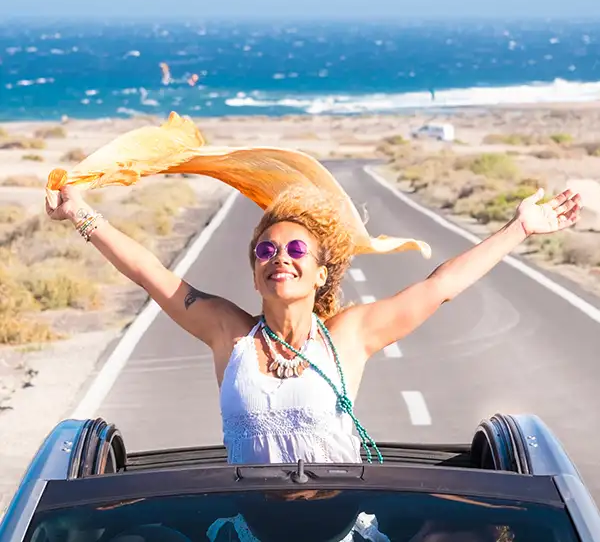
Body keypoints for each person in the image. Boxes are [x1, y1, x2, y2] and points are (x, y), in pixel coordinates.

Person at [46, 183, 580, 465]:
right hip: (250, 529)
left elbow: (437, 287)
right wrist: (80, 214)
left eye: (296, 248)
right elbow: (151, 273)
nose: (281, 257)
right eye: (266, 250)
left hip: (338, 527)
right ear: (255, 273)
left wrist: (520, 229)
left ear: (320, 270)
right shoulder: (228, 334)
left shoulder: (347, 337)